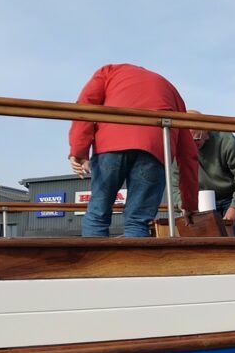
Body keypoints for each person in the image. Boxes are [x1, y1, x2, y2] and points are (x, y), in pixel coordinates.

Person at [68, 63, 200, 237]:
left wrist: (78, 151)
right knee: (137, 220)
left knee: (97, 214)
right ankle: (134, 256)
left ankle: (95, 256)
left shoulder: (109, 71)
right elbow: (188, 154)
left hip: (111, 143)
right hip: (155, 148)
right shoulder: (170, 88)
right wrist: (189, 204)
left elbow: (85, 105)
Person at [172, 126, 235, 236]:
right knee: (206, 238)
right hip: (203, 199)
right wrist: (184, 205)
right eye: (187, 141)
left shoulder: (226, 141)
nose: (191, 144)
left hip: (233, 195)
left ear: (206, 131)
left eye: (196, 139)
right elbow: (175, 185)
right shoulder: (180, 148)